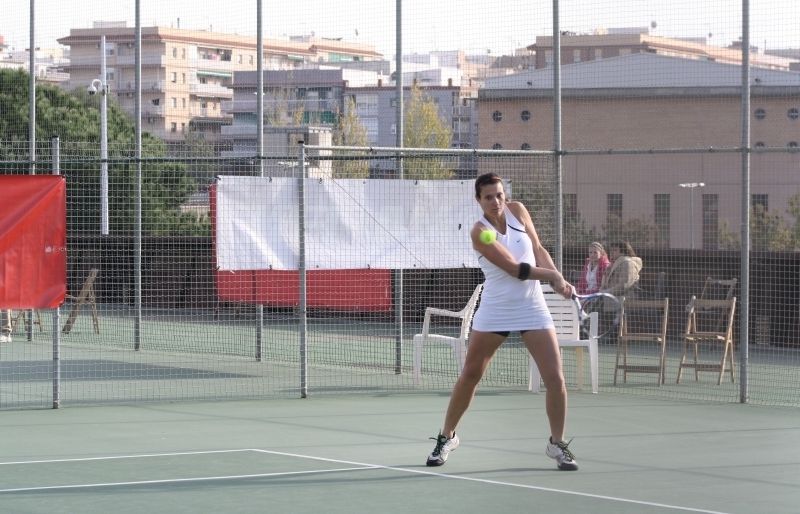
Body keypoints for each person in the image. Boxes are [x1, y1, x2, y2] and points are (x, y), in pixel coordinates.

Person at [425, 172, 579, 471]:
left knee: (556, 378)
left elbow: (537, 251)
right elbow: (514, 269)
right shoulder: (479, 232)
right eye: (488, 197)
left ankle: (557, 444)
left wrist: (557, 278)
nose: (496, 201)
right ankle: (447, 437)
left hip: (532, 307)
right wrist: (552, 277)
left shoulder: (518, 211)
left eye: (499, 195)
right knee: (470, 375)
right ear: (478, 201)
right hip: (496, 309)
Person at [598, 241, 643, 339]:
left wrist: (606, 293)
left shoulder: (627, 263)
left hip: (627, 296)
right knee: (596, 299)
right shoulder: (614, 264)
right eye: (611, 250)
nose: (612, 253)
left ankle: (612, 334)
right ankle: (607, 333)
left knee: (600, 300)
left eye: (615, 250)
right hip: (615, 295)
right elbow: (606, 284)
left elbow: (624, 285)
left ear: (623, 251)